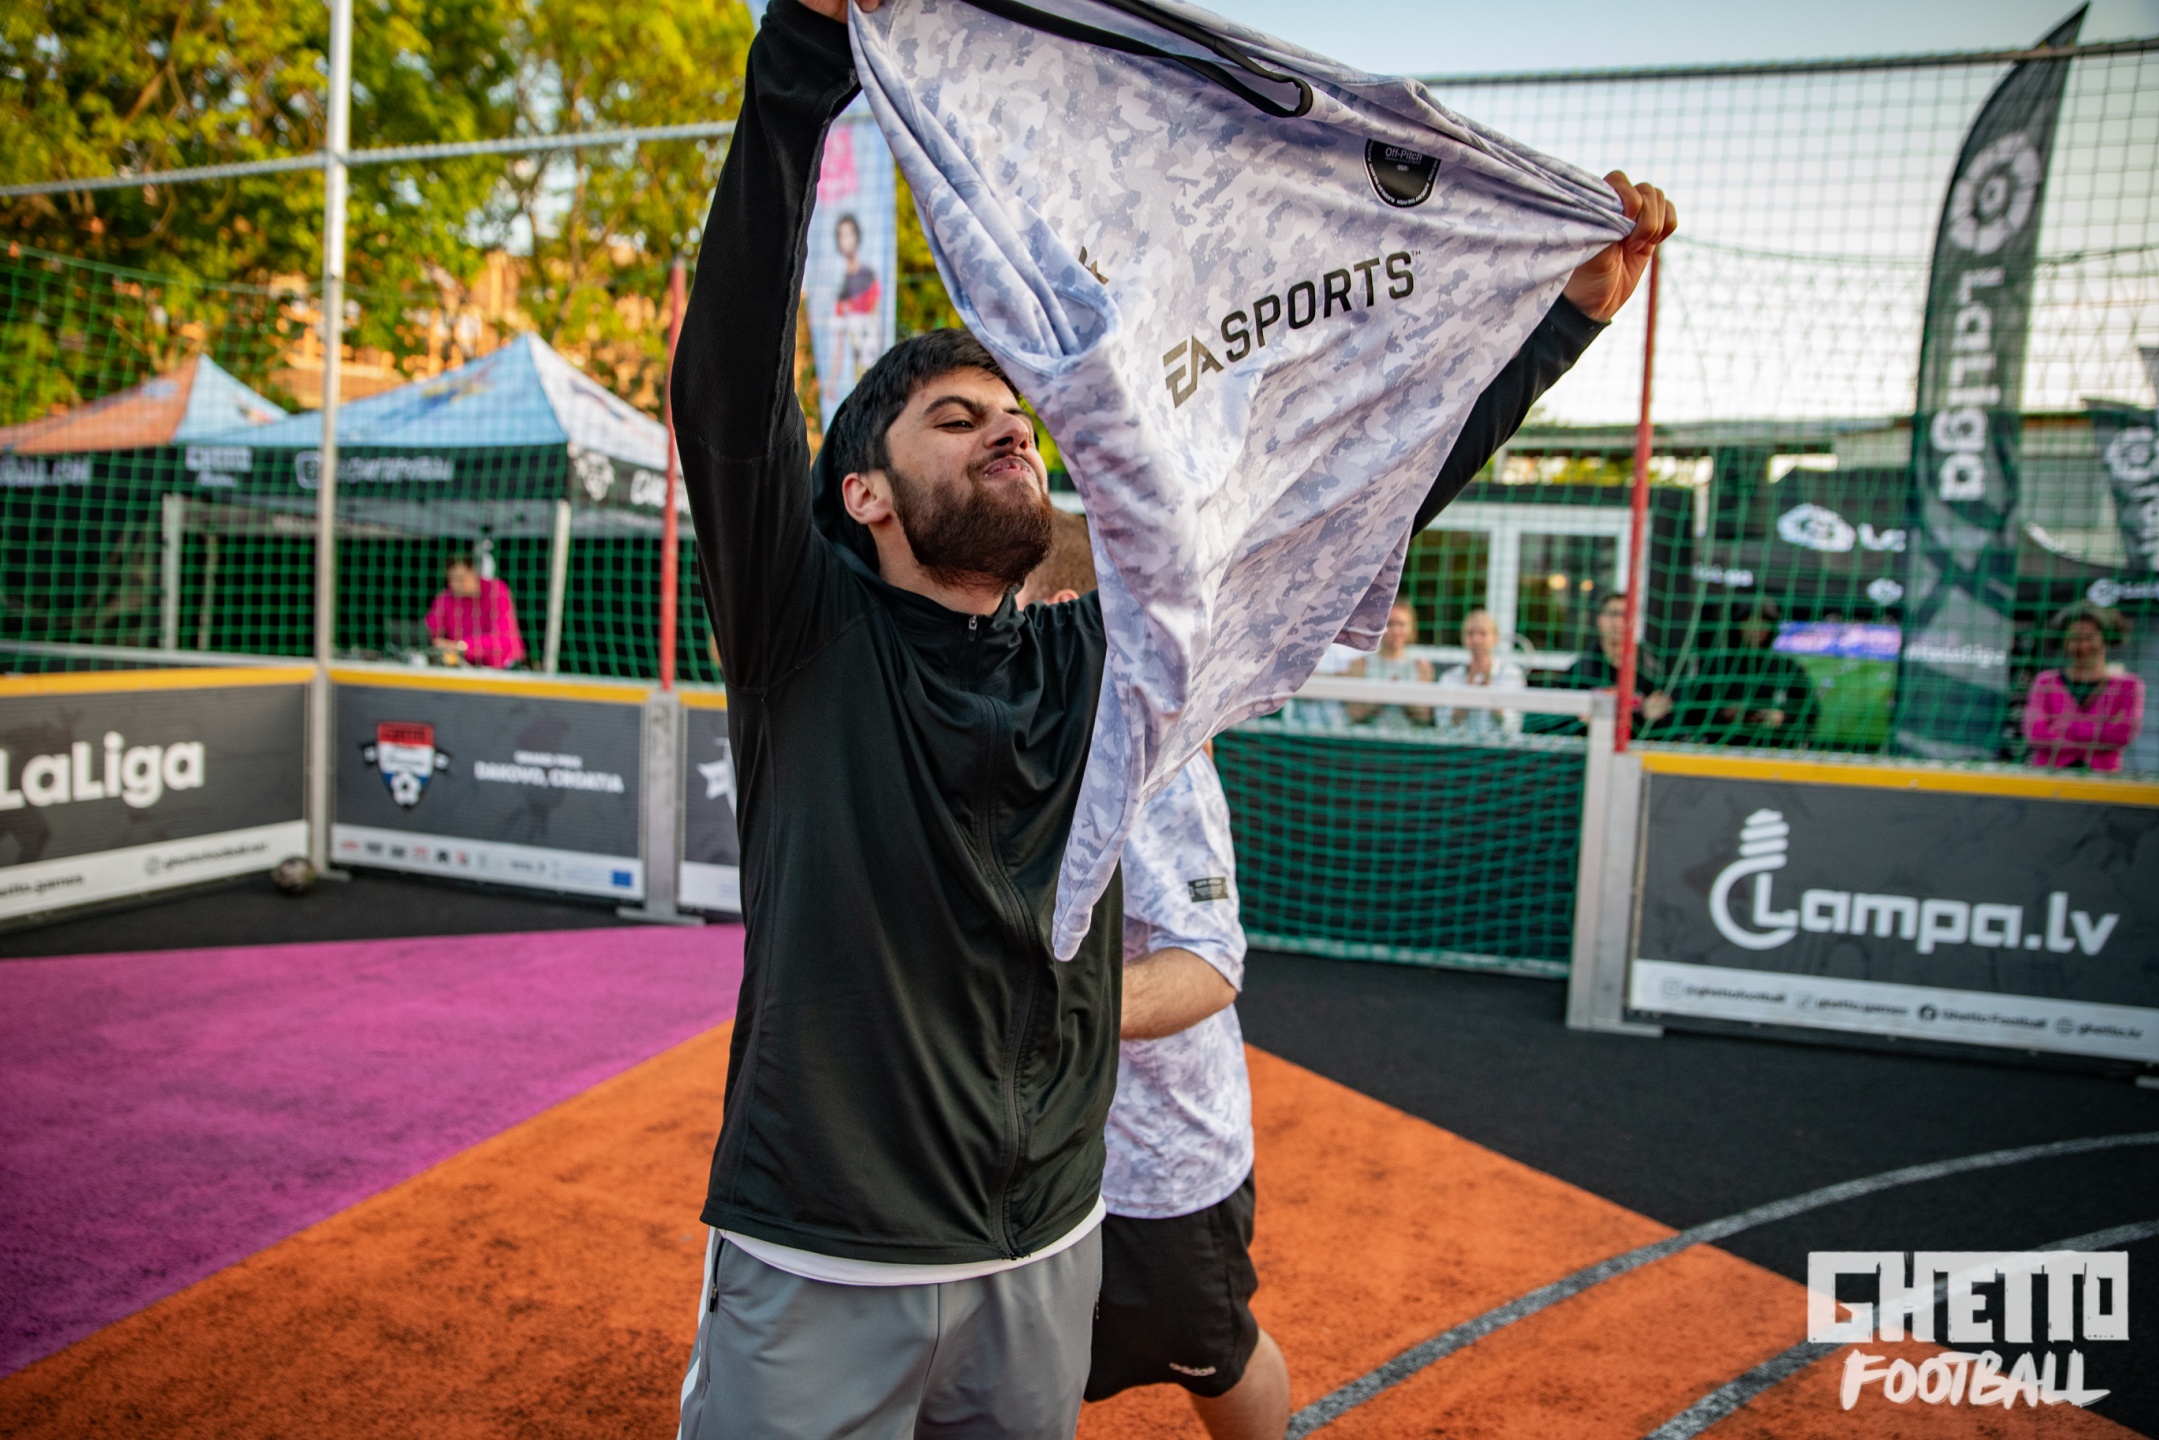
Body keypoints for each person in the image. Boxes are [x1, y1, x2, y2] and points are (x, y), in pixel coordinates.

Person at [669, 2, 1671, 1431]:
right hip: (825, 1253)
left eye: (1015, 413)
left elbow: (1335, 511)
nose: (1009, 427)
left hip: (1044, 1246)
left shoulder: (1095, 666)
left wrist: (1562, 323)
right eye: (955, 418)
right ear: (863, 495)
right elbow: (725, 394)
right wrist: (800, 58)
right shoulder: (806, 639)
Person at [1019, 518, 1289, 1440]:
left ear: (1059, 608)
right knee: (1013, 1369)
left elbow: (1210, 964)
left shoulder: (1154, 758)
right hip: (1038, 1153)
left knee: (1214, 1356)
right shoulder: (1009, 732)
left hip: (1158, 1164)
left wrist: (1046, 1013)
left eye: (1006, 603)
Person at [1529, 589, 1673, 737]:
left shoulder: (1653, 671)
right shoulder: (1580, 670)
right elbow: (1558, 723)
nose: (1618, 622)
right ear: (1600, 620)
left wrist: (1653, 716)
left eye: (1626, 615)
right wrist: (1579, 720)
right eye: (1612, 614)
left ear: (1636, 622)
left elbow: (1670, 728)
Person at [1679, 599, 1817, 749]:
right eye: (1749, 622)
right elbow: (1691, 713)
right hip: (1724, 750)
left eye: (1763, 622)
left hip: (1775, 752)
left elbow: (1810, 713)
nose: (1756, 629)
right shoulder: (1716, 666)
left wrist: (1783, 718)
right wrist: (1724, 714)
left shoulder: (1789, 669)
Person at [2024, 602, 2145, 771]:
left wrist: (2061, 727)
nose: (2082, 646)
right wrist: (2100, 731)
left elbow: (2122, 736)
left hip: (2103, 778)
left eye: (2089, 637)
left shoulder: (2128, 686)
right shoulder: (2045, 682)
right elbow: (2036, 735)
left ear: (2105, 638)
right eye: (2074, 638)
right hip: (2048, 775)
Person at [1437, 608, 1527, 738]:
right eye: (1470, 634)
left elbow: (1512, 727)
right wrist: (1467, 691)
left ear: (1495, 638)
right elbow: (1444, 726)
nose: (1476, 640)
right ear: (1463, 639)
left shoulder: (1512, 675)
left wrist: (1489, 691)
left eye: (1483, 634)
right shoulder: (1450, 677)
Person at [423, 554, 525, 668]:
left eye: (460, 578)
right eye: (450, 579)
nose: (454, 584)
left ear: (475, 573)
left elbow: (503, 638)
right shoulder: (445, 598)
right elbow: (428, 631)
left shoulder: (496, 591)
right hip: (464, 667)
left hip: (503, 666)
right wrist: (438, 643)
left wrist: (462, 646)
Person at [1345, 600, 1435, 729]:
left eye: (1402, 624)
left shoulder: (1421, 665)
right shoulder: (1361, 664)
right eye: (1390, 624)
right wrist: (1384, 693)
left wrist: (1402, 693)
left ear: (1411, 628)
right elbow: (1355, 714)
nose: (1396, 631)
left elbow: (1425, 716)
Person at [832, 211, 884, 389]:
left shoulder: (870, 276)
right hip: (858, 369)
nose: (846, 240)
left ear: (857, 236)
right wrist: (832, 381)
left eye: (849, 234)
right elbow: (839, 342)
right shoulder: (841, 288)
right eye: (841, 235)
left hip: (873, 358)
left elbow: (877, 320)